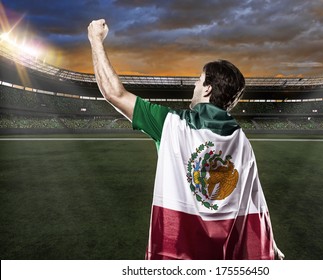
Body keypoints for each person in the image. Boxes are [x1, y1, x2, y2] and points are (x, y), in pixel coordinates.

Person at [88, 19, 284, 260]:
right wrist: (270, 245)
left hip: (178, 256)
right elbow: (255, 202)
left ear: (208, 89)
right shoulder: (242, 140)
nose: (194, 84)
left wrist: (95, 39)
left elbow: (113, 93)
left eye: (199, 80)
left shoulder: (171, 123)